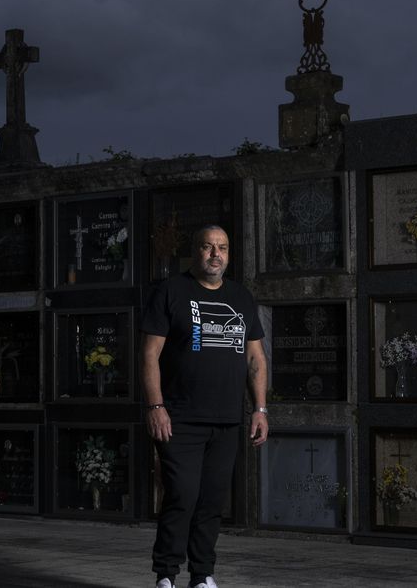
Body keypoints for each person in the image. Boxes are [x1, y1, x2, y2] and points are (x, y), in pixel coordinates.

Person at [142, 224, 269, 588]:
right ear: (194, 251)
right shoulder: (170, 291)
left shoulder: (241, 297)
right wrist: (155, 406)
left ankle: (202, 575)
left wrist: (260, 410)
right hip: (178, 418)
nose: (216, 254)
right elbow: (149, 353)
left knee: (212, 500)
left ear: (229, 254)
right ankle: (166, 575)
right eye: (208, 247)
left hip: (227, 419)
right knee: (182, 494)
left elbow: (256, 359)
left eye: (223, 248)